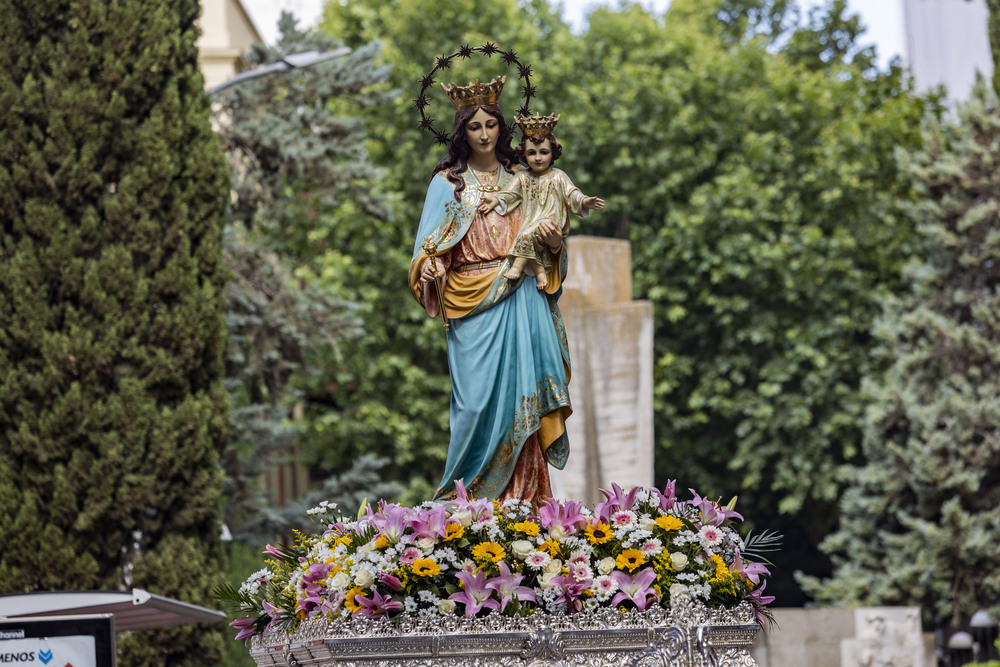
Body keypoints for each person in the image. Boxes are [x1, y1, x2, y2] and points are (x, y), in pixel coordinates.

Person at [408, 76, 572, 507]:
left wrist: (555, 244)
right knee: (475, 408)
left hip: (522, 295)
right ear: (462, 131)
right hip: (471, 302)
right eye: (474, 127)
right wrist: (431, 266)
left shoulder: (525, 176)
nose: (483, 134)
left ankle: (524, 505)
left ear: (503, 128)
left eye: (491, 125)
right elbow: (426, 248)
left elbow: (549, 243)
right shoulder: (446, 184)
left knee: (526, 400)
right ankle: (462, 507)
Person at [478, 113, 604, 290]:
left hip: (550, 222)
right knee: (528, 239)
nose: (538, 157)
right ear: (524, 155)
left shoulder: (558, 176)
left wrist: (584, 201)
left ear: (553, 153)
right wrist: (495, 200)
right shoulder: (522, 177)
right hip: (530, 221)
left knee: (526, 236)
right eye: (532, 153)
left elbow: (572, 194)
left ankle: (516, 267)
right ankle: (540, 273)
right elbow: (509, 194)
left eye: (543, 152)